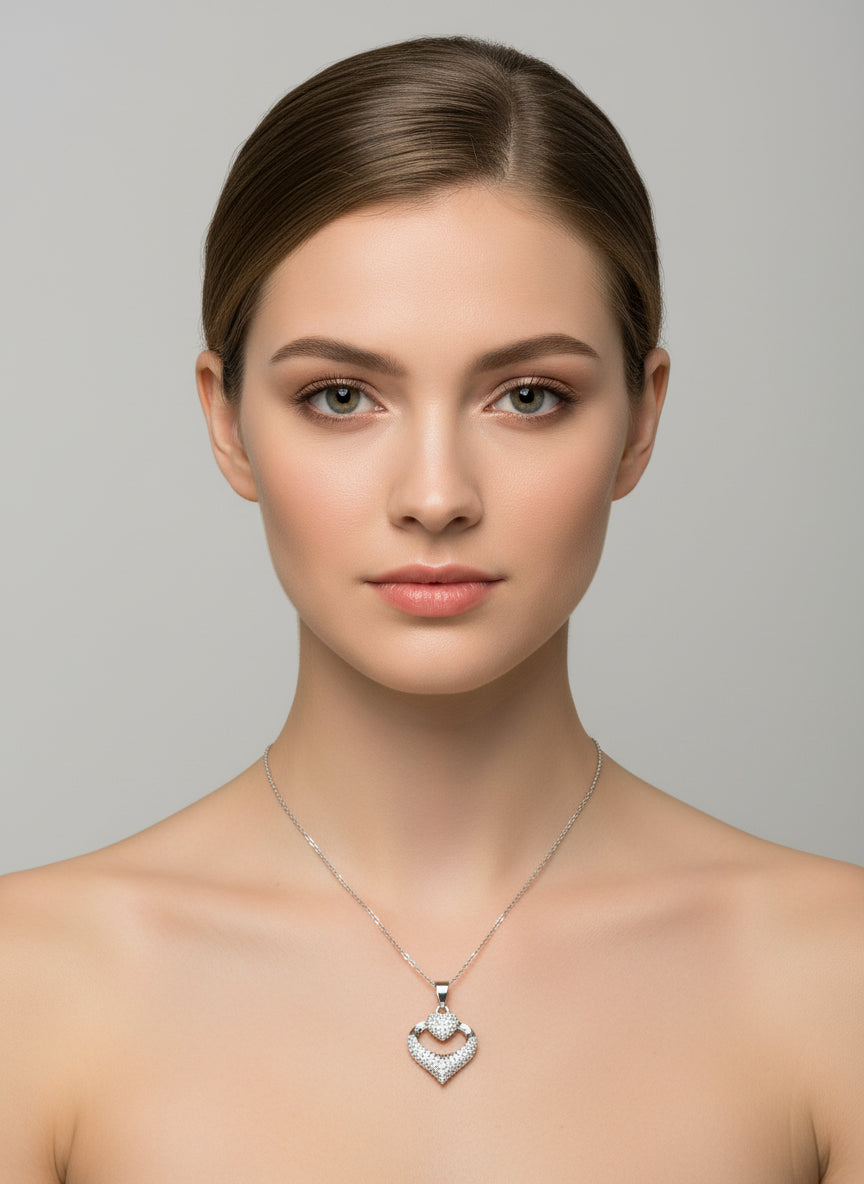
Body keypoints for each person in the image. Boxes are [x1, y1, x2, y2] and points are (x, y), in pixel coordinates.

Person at [1, 34, 861, 1182]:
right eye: (342, 396)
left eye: (530, 395)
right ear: (226, 418)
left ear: (640, 420)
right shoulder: (31, 985)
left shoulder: (834, 976)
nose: (438, 495)